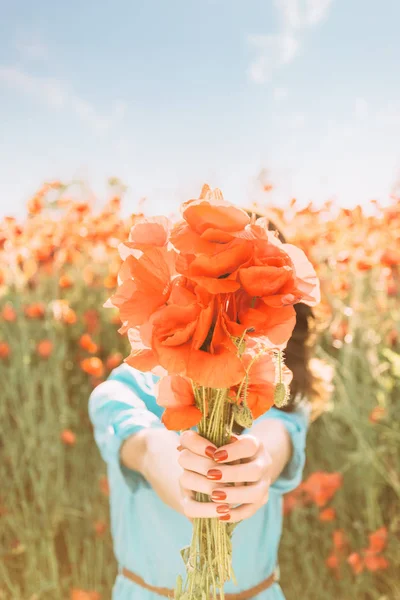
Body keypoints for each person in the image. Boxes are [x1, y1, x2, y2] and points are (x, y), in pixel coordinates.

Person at [88, 218, 322, 600]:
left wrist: (254, 466)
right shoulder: (133, 381)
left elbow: (276, 435)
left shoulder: (276, 383)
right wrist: (180, 471)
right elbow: (142, 445)